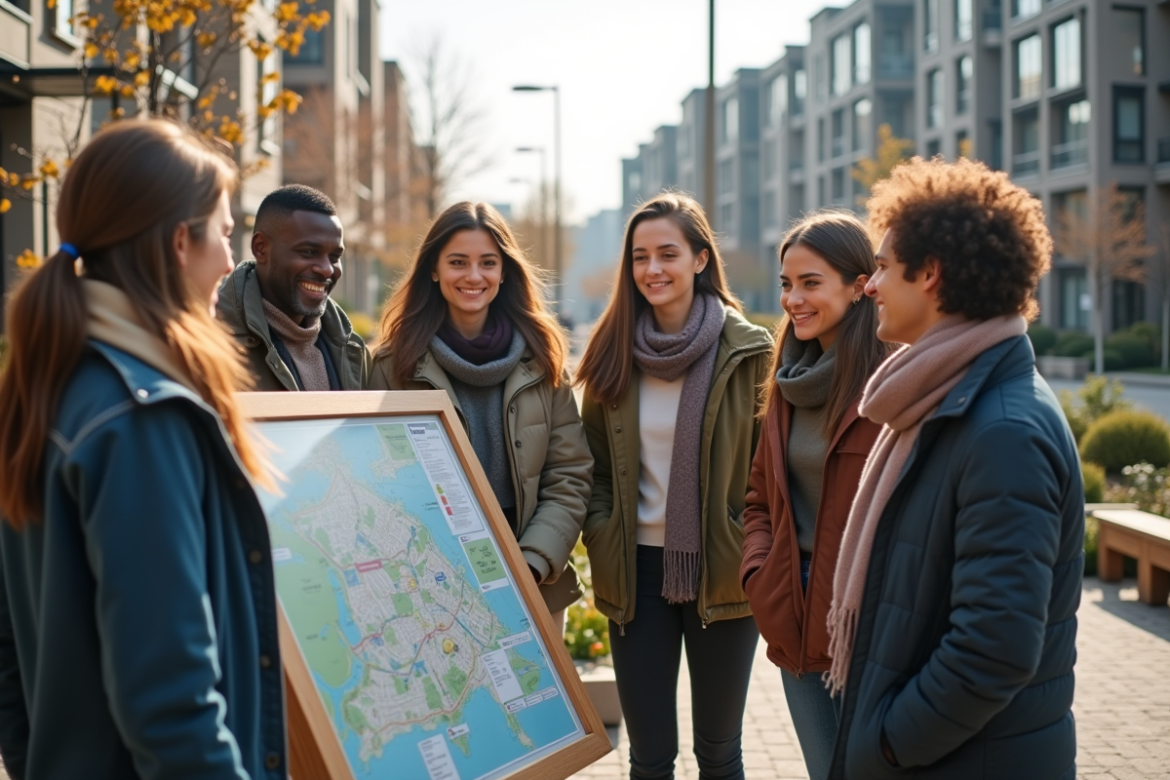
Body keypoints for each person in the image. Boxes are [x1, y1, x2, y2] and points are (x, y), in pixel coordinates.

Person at [0, 119, 286, 779]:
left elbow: (11, 658)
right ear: (180, 244)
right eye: (224, 232)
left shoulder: (49, 389)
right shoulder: (144, 420)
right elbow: (171, 702)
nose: (229, 260)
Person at [825, 157, 1082, 780]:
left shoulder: (1002, 433)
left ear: (931, 274)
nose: (870, 286)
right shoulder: (942, 402)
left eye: (883, 267)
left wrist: (886, 745)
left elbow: (992, 651)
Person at [576, 192, 772, 780]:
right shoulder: (613, 354)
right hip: (636, 573)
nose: (652, 269)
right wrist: (604, 530)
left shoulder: (750, 353)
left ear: (701, 260)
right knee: (650, 757)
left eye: (668, 253)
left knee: (719, 754)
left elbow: (768, 471)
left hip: (723, 568)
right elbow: (594, 469)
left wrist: (750, 543)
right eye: (640, 256)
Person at [369, 202, 592, 624]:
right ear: (433, 270)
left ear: (504, 271)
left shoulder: (544, 360)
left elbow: (570, 474)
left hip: (534, 584)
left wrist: (532, 562)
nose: (474, 276)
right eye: (458, 262)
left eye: (488, 263)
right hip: (430, 586)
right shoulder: (390, 366)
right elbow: (380, 482)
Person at [739, 212, 887, 780]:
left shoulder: (886, 383)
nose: (793, 299)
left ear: (858, 285)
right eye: (786, 284)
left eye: (810, 282)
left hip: (864, 620)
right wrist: (761, 573)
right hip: (793, 608)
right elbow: (760, 497)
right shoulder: (788, 378)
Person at [216, 183, 369, 391]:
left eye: (334, 257)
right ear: (260, 249)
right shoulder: (213, 340)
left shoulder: (354, 351)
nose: (327, 270)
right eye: (308, 252)